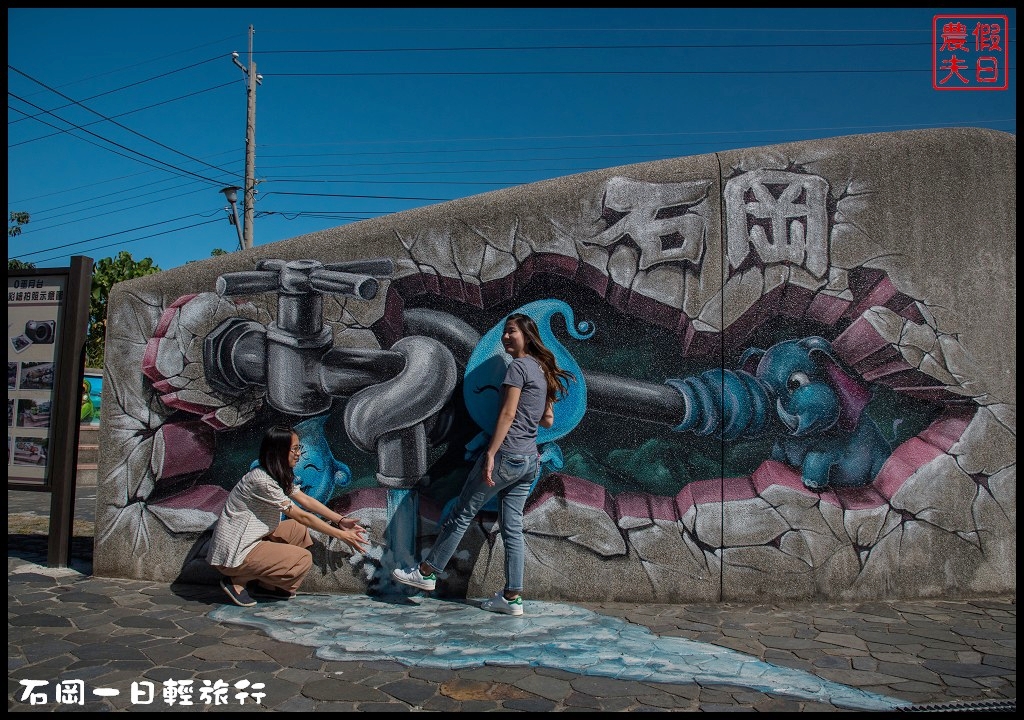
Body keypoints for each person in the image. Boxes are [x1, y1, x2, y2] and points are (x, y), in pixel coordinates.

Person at [392, 313, 574, 615]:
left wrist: (490, 453)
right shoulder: (542, 371)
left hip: (507, 455)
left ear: (527, 336)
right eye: (504, 332)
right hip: (530, 460)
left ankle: (426, 573)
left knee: (461, 515)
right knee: (512, 528)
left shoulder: (517, 368)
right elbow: (548, 419)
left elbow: (506, 415)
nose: (505, 337)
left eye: (512, 332)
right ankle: (512, 597)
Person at [208, 425, 369, 607]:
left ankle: (268, 586)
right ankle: (236, 581)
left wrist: (340, 520)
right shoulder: (262, 481)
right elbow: (302, 515)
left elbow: (306, 501)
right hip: (236, 551)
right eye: (294, 449)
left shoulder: (278, 475)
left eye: (298, 448)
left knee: (297, 530)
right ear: (279, 452)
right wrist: (341, 535)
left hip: (252, 539)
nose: (298, 453)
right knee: (302, 559)